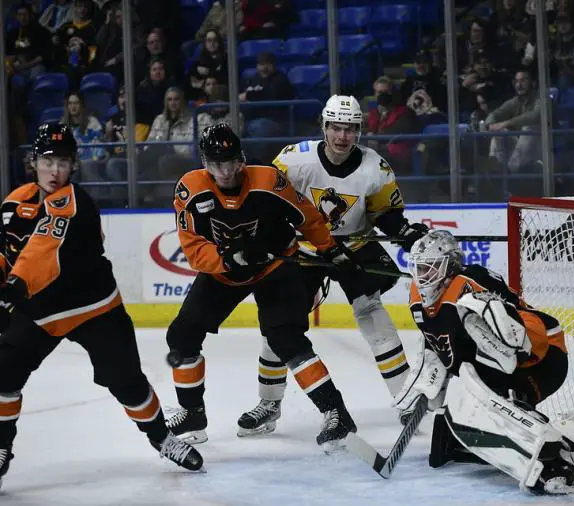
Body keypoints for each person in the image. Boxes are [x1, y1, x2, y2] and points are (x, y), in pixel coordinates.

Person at [0, 123, 203, 490]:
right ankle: (0, 447)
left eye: (63, 162)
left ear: (74, 164)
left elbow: (43, 252)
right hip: (40, 313)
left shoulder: (76, 203)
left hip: (94, 309)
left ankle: (162, 438)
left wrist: (12, 289)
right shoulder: (15, 203)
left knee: (125, 382)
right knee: (3, 375)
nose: (55, 171)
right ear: (34, 161)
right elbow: (6, 253)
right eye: (48, 161)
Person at [236, 95, 428, 437]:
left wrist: (404, 232)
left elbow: (385, 213)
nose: (342, 136)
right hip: (306, 248)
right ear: (324, 127)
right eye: (336, 127)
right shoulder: (293, 161)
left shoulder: (375, 167)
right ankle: (269, 403)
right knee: (279, 326)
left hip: (354, 246)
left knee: (372, 314)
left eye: (350, 129)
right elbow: (268, 202)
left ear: (359, 130)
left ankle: (407, 398)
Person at [163, 123, 358, 449]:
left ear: (242, 159)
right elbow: (194, 247)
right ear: (205, 164)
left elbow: (307, 217)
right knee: (181, 337)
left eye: (230, 162)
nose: (225, 171)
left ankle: (336, 413)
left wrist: (331, 250)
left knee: (284, 337)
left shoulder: (269, 181)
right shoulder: (190, 190)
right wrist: (228, 260)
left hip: (275, 267)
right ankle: (193, 413)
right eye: (216, 163)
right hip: (224, 274)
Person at [394, 230, 574, 494]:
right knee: (471, 381)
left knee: (487, 380)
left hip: (542, 356)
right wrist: (432, 369)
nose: (423, 275)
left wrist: (484, 323)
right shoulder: (417, 297)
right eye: (419, 267)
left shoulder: (471, 281)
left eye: (431, 267)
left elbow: (512, 327)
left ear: (449, 265)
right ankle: (480, 435)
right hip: (499, 362)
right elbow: (437, 339)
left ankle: (553, 458)